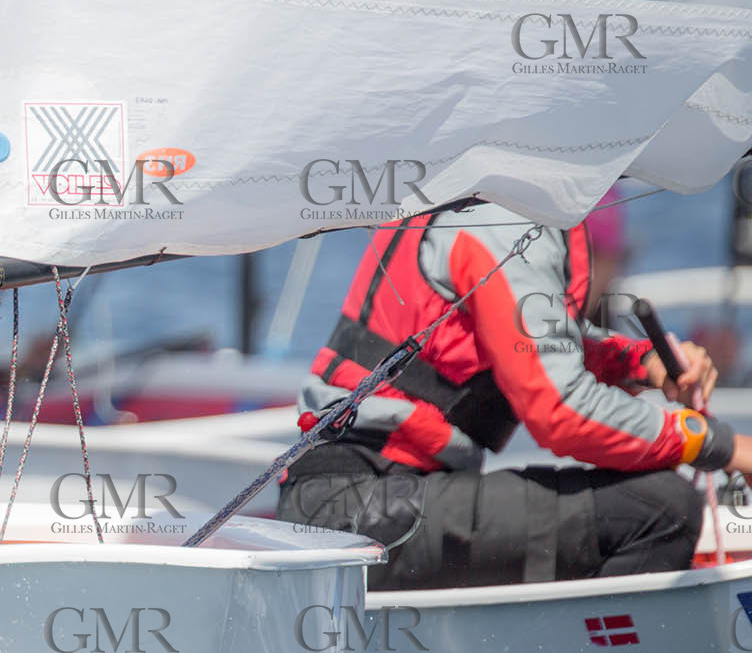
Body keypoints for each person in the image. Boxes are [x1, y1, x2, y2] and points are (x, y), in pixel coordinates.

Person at [276, 198, 752, 589]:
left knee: (644, 496)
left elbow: (527, 336)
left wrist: (640, 360)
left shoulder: (475, 197)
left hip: (349, 500)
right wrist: (721, 445)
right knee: (661, 509)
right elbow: (559, 411)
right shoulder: (506, 222)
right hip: (366, 509)